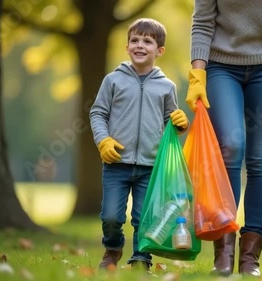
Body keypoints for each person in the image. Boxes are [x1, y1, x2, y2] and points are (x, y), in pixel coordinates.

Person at [186, 0, 262, 277]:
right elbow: (203, 23)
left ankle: (250, 256)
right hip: (220, 66)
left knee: (261, 159)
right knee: (231, 147)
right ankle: (224, 251)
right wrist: (197, 73)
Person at [89, 18, 189, 272]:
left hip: (150, 166)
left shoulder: (167, 86)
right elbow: (98, 113)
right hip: (116, 163)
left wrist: (179, 124)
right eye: (134, 40)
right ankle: (113, 247)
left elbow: (170, 123)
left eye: (147, 41)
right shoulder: (113, 81)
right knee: (111, 217)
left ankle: (141, 258)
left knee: (144, 218)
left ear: (159, 50)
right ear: (127, 47)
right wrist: (103, 141)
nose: (140, 45)